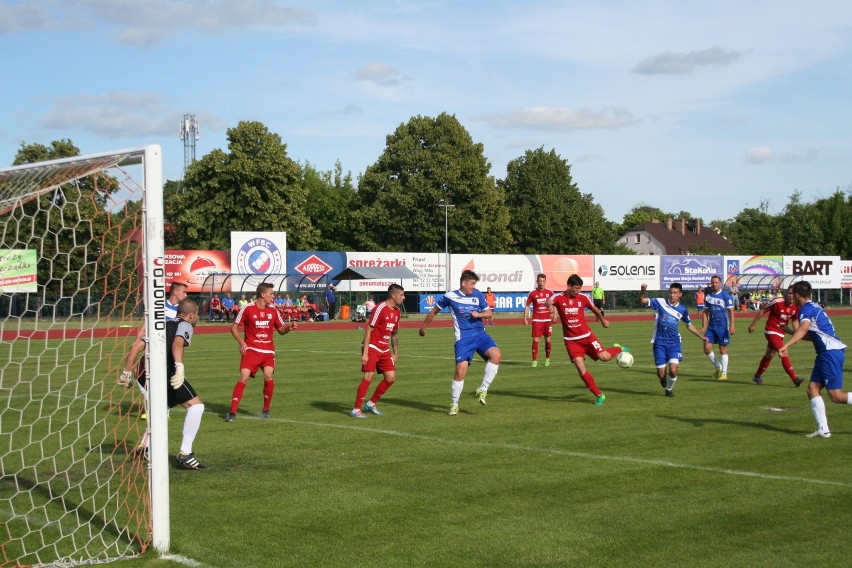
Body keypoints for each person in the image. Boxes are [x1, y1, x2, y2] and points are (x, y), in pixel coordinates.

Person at [119, 299, 207, 469]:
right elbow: (177, 343)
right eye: (197, 315)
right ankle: (185, 453)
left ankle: (144, 447)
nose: (197, 318)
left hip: (143, 372)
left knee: (162, 410)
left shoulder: (162, 325)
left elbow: (136, 346)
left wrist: (126, 372)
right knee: (196, 407)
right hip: (163, 371)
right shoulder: (185, 324)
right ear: (191, 315)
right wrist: (180, 367)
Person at [419, 270, 500, 416]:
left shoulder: (478, 295)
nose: (473, 287)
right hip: (464, 338)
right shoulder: (450, 296)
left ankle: (483, 389)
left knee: (496, 355)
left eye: (475, 284)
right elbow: (434, 311)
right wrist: (424, 327)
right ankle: (454, 404)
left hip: (481, 334)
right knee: (460, 371)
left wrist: (480, 314)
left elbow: (489, 313)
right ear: (463, 283)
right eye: (472, 284)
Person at [779, 281, 849, 438]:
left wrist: (787, 345)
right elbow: (812, 335)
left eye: (792, 294)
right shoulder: (815, 307)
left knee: (836, 396)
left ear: (797, 295)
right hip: (827, 353)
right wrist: (790, 332)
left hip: (829, 353)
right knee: (812, 389)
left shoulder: (806, 309)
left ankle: (823, 429)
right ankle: (823, 430)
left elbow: (803, 328)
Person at [548, 274, 625, 406]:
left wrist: (603, 320)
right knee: (580, 366)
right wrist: (551, 307)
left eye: (580, 288)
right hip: (571, 341)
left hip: (587, 336)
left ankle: (619, 348)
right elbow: (549, 301)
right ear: (569, 286)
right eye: (576, 288)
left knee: (605, 357)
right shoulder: (559, 297)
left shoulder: (582, 298)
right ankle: (599, 395)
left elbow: (594, 309)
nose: (578, 291)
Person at [226, 282, 298, 421]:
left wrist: (289, 327)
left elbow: (281, 330)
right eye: (271, 293)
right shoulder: (247, 308)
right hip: (251, 349)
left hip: (268, 351)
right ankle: (232, 412)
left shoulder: (273, 310)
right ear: (262, 294)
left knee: (268, 375)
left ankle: (266, 410)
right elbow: (233, 327)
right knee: (244, 376)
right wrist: (242, 342)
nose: (273, 296)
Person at [639, 283, 706, 397]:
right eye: (670, 292)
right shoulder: (660, 302)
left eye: (675, 293)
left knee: (673, 370)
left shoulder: (682, 309)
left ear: (680, 294)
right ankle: (663, 379)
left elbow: (688, 325)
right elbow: (642, 300)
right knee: (662, 374)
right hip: (659, 342)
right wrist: (642, 290)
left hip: (674, 343)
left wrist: (701, 337)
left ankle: (669, 389)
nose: (672, 295)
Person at [350, 284, 405, 418]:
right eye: (402, 295)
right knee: (369, 376)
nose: (404, 297)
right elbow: (369, 329)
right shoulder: (380, 308)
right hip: (372, 346)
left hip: (384, 348)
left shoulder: (397, 311)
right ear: (393, 295)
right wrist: (365, 352)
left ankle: (371, 403)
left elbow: (395, 333)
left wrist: (395, 353)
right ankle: (356, 409)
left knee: (391, 378)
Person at [747, 286, 802, 386]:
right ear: (785, 294)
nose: (791, 295)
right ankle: (795, 379)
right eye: (789, 293)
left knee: (770, 355)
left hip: (781, 333)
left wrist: (797, 333)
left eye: (793, 294)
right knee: (783, 351)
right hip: (771, 331)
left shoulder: (796, 306)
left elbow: (794, 319)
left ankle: (757, 376)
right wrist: (753, 324)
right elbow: (763, 311)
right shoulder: (777, 301)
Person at [701, 275, 735, 381]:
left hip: (723, 326)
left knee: (723, 349)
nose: (714, 284)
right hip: (711, 327)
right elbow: (705, 312)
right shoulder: (708, 296)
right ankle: (718, 367)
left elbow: (731, 311)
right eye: (712, 282)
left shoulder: (725, 295)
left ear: (720, 283)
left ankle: (724, 373)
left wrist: (732, 325)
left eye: (716, 282)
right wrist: (704, 326)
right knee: (706, 349)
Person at [524, 273, 554, 367]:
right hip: (537, 320)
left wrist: (555, 315)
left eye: (543, 281)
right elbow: (528, 306)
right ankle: (534, 360)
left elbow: (554, 305)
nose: (541, 283)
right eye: (540, 281)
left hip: (547, 320)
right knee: (536, 340)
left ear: (545, 281)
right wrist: (525, 318)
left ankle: (547, 359)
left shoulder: (550, 292)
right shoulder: (532, 293)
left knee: (548, 340)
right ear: (537, 281)